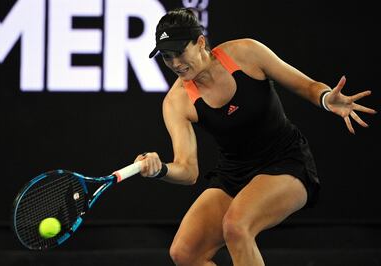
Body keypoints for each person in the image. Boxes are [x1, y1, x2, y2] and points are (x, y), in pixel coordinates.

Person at [134, 7, 377, 266]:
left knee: (236, 226)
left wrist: (327, 99)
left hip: (287, 162)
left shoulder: (246, 53)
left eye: (179, 52)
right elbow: (187, 170)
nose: (175, 63)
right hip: (234, 174)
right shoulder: (176, 102)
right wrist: (160, 170)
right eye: (167, 57)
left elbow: (305, 85)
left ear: (201, 42)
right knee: (184, 253)